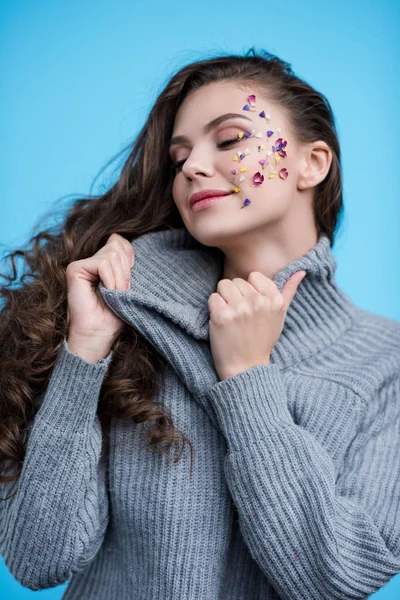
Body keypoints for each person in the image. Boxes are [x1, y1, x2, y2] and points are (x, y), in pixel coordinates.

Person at [0, 48, 399, 599]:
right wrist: (85, 350)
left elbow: (333, 579)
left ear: (313, 163)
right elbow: (35, 559)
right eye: (179, 156)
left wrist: (246, 377)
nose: (190, 167)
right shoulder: (128, 313)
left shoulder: (387, 361)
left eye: (230, 139)